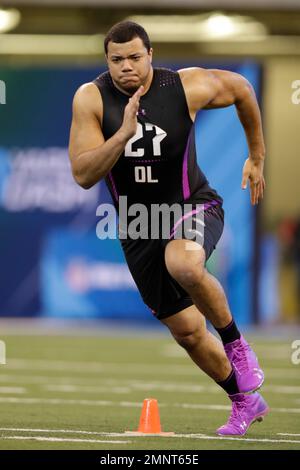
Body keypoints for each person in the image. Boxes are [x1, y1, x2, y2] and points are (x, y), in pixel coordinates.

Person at [69, 21, 269, 436]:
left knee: (185, 264)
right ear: (107, 61)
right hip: (139, 224)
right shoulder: (91, 98)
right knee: (189, 333)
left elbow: (242, 91)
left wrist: (257, 155)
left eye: (135, 57)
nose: (127, 67)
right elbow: (83, 174)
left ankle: (238, 345)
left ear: (151, 55)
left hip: (191, 204)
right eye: (117, 59)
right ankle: (244, 401)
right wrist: (121, 134)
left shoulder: (184, 87)